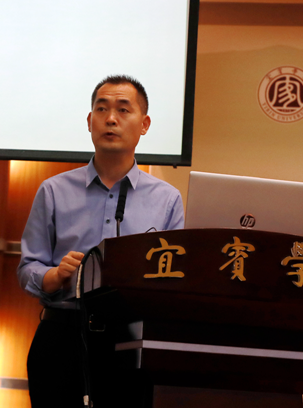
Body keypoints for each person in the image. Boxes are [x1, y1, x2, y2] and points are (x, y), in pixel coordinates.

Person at [17, 74, 185, 408]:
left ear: (144, 124)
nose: (111, 119)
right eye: (102, 108)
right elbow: (28, 268)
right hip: (62, 338)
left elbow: (175, 282)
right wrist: (54, 276)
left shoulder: (167, 200)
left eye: (123, 109)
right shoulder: (54, 190)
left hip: (132, 344)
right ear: (89, 121)